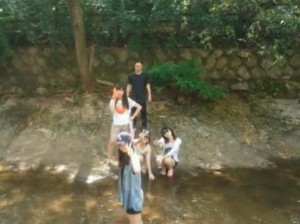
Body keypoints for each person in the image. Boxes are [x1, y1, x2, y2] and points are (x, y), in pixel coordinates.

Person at [107, 83, 142, 164]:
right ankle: (109, 159)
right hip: (116, 124)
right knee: (112, 141)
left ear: (124, 91)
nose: (120, 92)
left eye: (122, 90)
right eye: (118, 90)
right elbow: (113, 111)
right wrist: (113, 98)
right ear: (115, 91)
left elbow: (139, 107)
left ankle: (124, 160)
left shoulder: (128, 100)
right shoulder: (113, 101)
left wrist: (133, 117)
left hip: (126, 124)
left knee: (125, 143)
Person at [117, 132, 144, 224]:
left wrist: (132, 155)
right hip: (128, 197)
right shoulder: (124, 156)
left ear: (129, 143)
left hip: (134, 199)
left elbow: (137, 169)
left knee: (135, 222)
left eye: (123, 144)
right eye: (119, 144)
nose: (121, 146)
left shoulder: (134, 156)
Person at [127, 62, 152, 130]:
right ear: (134, 67)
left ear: (141, 67)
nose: (138, 67)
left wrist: (149, 94)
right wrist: (127, 95)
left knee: (143, 112)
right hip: (133, 97)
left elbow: (147, 85)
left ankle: (144, 126)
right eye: (136, 66)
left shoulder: (145, 76)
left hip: (142, 96)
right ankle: (134, 125)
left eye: (139, 66)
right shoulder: (131, 76)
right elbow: (129, 86)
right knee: (133, 111)